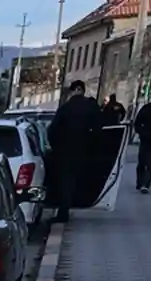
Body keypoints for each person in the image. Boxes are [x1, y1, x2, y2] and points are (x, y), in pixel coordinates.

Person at [47, 80, 103, 222]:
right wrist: (92, 147)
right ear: (83, 90)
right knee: (78, 179)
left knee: (65, 181)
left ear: (74, 90)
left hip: (64, 150)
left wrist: (55, 147)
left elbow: (52, 130)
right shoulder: (92, 107)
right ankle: (78, 203)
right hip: (84, 151)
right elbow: (99, 129)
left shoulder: (65, 108)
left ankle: (63, 212)